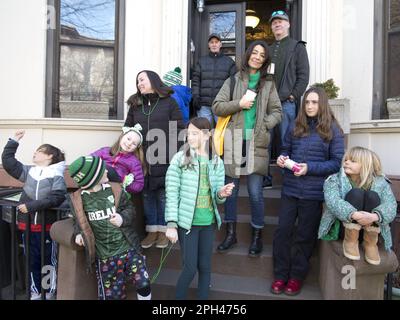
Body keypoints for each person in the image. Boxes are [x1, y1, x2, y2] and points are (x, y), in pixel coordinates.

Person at [271, 87, 344, 296]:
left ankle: (295, 278)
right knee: (282, 232)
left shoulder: (333, 130)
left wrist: (309, 168)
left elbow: (337, 163)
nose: (310, 106)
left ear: (322, 104)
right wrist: (282, 158)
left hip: (313, 193)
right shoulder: (295, 125)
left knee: (304, 236)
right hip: (290, 189)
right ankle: (280, 275)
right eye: (307, 102)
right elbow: (285, 149)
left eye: (314, 102)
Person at [212, 40, 282, 257]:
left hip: (257, 142)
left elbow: (278, 111)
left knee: (254, 193)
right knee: (230, 193)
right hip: (233, 141)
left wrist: (264, 126)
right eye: (255, 53)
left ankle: (256, 236)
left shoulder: (268, 84)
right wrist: (239, 104)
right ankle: (230, 235)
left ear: (265, 60)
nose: (258, 57)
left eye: (262, 55)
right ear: (248, 54)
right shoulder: (233, 81)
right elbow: (217, 106)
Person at [165, 117, 234, 300]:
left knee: (205, 266)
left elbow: (218, 199)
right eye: (188, 134)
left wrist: (222, 193)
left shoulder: (216, 162)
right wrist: (171, 224)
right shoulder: (180, 159)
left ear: (207, 135)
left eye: (195, 134)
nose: (190, 137)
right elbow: (172, 192)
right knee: (189, 268)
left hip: (208, 222)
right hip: (188, 224)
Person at [68, 156, 151, 300]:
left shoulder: (115, 189)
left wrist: (122, 218)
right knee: (113, 295)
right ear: (93, 178)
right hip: (106, 257)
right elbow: (78, 221)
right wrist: (78, 233)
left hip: (129, 249)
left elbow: (130, 209)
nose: (107, 170)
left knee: (143, 284)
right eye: (102, 170)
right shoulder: (79, 200)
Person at [1, 130, 66, 300]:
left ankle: (48, 291)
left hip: (47, 227)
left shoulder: (56, 175)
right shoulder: (30, 171)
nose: (35, 152)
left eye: (39, 150)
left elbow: (57, 197)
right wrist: (14, 140)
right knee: (31, 260)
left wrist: (31, 206)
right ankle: (36, 291)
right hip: (27, 226)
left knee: (48, 261)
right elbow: (8, 163)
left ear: (49, 156)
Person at [126, 70, 185, 249]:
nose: (139, 84)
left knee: (163, 196)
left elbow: (179, 129)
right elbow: (127, 128)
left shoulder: (169, 102)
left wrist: (174, 155)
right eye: (137, 81)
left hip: (165, 157)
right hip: (142, 159)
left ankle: (164, 231)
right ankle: (152, 231)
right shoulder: (135, 105)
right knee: (147, 196)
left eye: (142, 79)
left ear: (153, 80)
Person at [319, 147, 397, 265]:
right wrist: (354, 214)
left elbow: (391, 205)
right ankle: (350, 241)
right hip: (344, 229)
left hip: (369, 227)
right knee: (356, 193)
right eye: (346, 160)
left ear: (366, 165)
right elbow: (333, 201)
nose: (346, 162)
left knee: (372, 196)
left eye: (352, 161)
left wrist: (373, 217)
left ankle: (370, 243)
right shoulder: (335, 180)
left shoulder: (381, 182)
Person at [263, 10, 310, 188]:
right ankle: (265, 179)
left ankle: (287, 181)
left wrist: (293, 95)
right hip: (267, 103)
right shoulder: (267, 49)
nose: (277, 24)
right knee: (265, 142)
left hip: (286, 103)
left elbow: (303, 76)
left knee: (286, 141)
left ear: (288, 24)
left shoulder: (297, 47)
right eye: (274, 22)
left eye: (281, 21)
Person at [192, 33, 237, 127]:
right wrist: (195, 96)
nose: (214, 44)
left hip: (221, 104)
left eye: (216, 42)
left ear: (220, 44)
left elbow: (234, 83)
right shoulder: (201, 61)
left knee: (221, 135)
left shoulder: (229, 62)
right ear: (209, 45)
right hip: (203, 105)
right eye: (211, 42)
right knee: (204, 133)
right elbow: (196, 80)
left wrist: (230, 101)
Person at [91, 124, 145, 195]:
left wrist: (124, 181)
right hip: (97, 186)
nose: (129, 143)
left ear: (136, 148)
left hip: (116, 191)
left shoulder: (134, 162)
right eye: (128, 139)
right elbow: (90, 160)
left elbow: (139, 185)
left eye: (134, 144)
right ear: (122, 137)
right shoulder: (105, 151)